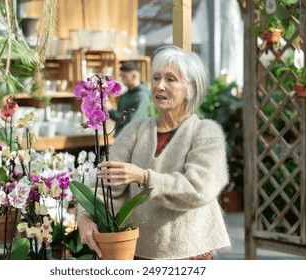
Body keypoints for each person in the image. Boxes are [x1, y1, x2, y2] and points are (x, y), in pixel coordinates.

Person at [77, 45, 231, 260]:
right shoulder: (135, 129)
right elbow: (106, 183)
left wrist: (143, 176)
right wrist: (85, 214)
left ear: (192, 89)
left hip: (190, 251)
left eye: (171, 79)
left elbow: (198, 189)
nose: (159, 85)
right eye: (156, 78)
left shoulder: (206, 133)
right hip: (137, 249)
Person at [107, 60, 150, 136]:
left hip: (133, 139)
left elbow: (130, 121)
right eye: (121, 76)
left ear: (134, 76)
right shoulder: (126, 94)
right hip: (122, 137)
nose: (122, 79)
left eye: (124, 76)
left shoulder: (141, 96)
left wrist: (110, 110)